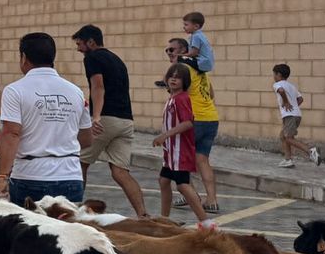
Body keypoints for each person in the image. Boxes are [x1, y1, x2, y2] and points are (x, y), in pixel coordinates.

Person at [0, 32, 90, 206]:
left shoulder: (15, 90)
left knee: (27, 232)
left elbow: (11, 134)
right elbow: (86, 139)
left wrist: (2, 177)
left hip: (30, 177)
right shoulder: (76, 92)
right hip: (71, 177)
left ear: (24, 57)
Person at [71, 26, 149, 218]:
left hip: (105, 119)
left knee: (80, 162)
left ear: (91, 42)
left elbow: (98, 87)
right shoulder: (117, 59)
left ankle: (72, 212)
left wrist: (95, 116)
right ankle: (143, 214)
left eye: (80, 44)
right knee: (120, 172)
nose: (79, 49)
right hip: (125, 121)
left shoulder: (92, 58)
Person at [167, 37, 220, 213]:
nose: (169, 53)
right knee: (202, 160)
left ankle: (191, 196)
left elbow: (177, 91)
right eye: (168, 50)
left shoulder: (182, 69)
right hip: (211, 117)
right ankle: (211, 200)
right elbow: (210, 94)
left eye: (172, 50)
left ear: (183, 51)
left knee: (182, 158)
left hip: (194, 120)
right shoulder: (201, 70)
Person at [151, 63, 207, 222]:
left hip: (180, 150)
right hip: (171, 151)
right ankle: (164, 219)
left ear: (185, 81)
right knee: (164, 180)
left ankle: (206, 223)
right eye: (171, 76)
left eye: (178, 77)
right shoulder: (172, 99)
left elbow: (188, 122)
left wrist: (165, 135)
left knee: (182, 184)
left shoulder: (181, 99)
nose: (174, 79)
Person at [272, 64, 319, 168]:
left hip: (289, 116)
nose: (273, 77)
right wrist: (294, 107)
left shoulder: (277, 84)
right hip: (296, 115)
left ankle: (310, 151)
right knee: (283, 136)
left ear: (278, 74)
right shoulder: (292, 86)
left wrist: (286, 102)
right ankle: (288, 160)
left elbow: (281, 91)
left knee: (287, 138)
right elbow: (301, 99)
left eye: (274, 74)